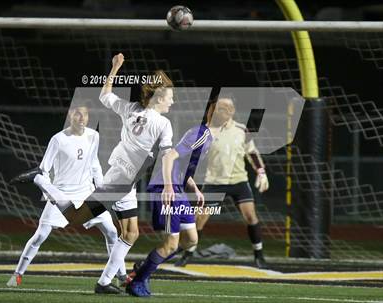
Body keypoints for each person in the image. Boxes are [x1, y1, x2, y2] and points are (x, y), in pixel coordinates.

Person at [49, 53, 175, 295]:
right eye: (170, 97)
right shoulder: (162, 124)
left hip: (123, 181)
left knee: (130, 233)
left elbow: (104, 95)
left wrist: (115, 67)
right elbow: (167, 156)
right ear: (159, 97)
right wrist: (169, 186)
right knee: (73, 219)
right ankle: (44, 182)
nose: (172, 102)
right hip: (119, 183)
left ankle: (104, 283)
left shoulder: (131, 108)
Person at [6, 103, 128, 287]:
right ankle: (17, 274)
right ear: (70, 116)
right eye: (78, 114)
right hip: (62, 193)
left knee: (112, 232)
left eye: (85, 115)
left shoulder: (93, 136)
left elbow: (94, 164)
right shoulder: (58, 139)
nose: (82, 118)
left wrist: (102, 190)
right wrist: (49, 193)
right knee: (40, 235)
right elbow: (43, 169)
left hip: (87, 193)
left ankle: (122, 276)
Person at [126, 106, 217, 297]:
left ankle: (144, 267)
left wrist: (194, 188)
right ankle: (137, 281)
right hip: (168, 190)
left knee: (191, 240)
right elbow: (169, 157)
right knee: (171, 244)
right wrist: (168, 186)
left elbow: (181, 167)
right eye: (222, 109)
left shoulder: (208, 138)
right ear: (211, 112)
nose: (228, 114)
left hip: (179, 190)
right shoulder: (201, 133)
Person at [175, 97, 270, 269]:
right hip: (214, 182)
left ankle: (259, 256)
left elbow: (252, 153)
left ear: (233, 110)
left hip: (238, 181)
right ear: (215, 110)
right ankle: (188, 254)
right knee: (199, 219)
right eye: (220, 107)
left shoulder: (242, 130)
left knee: (251, 216)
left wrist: (261, 172)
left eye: (227, 107)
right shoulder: (207, 132)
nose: (224, 110)